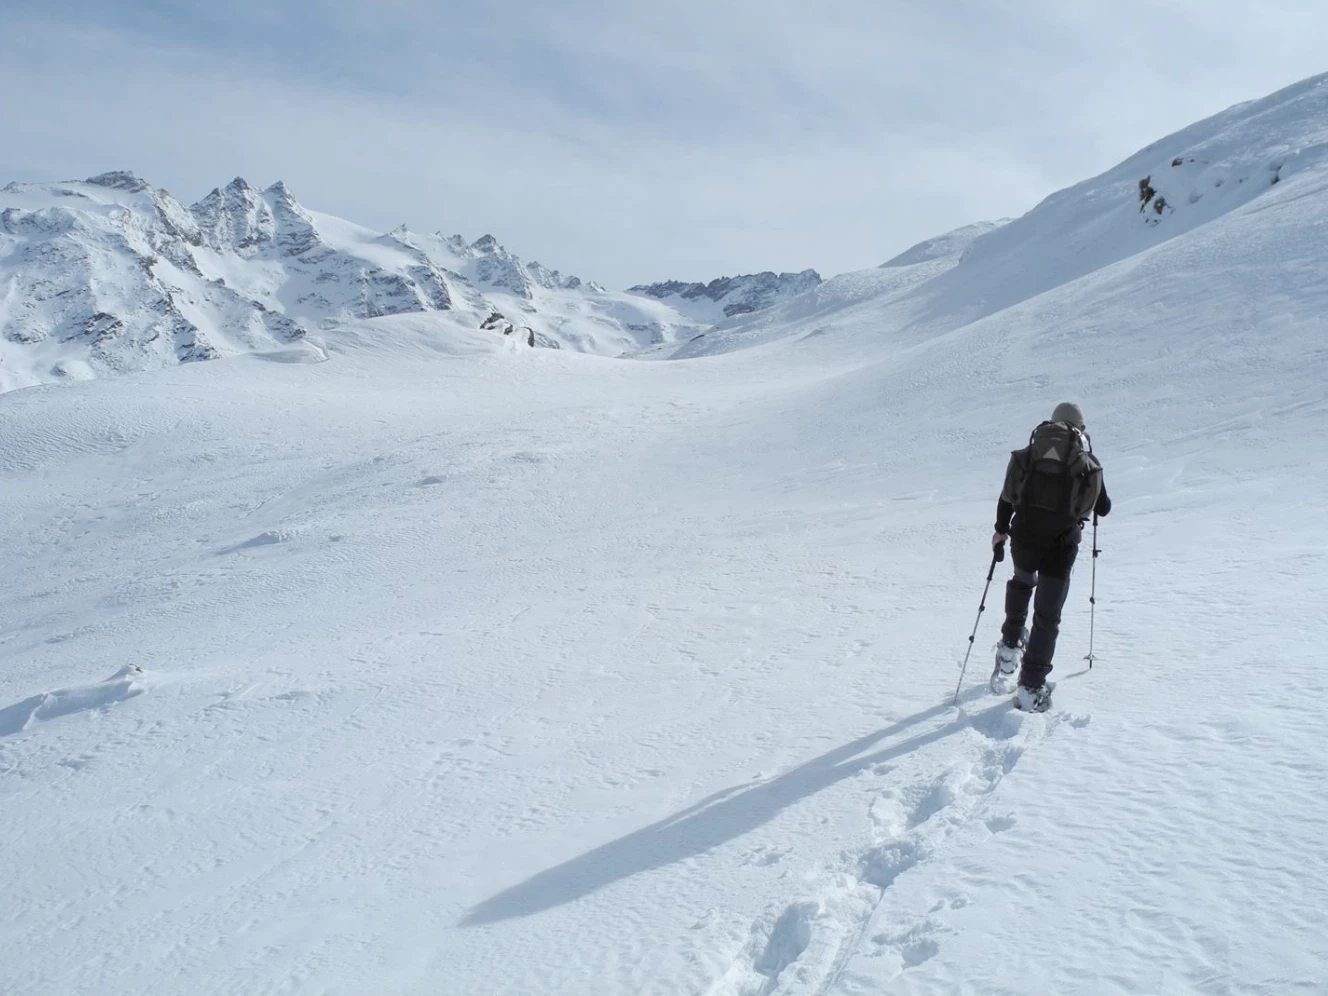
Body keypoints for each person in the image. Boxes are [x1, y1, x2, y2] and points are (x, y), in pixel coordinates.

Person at [991, 403, 1111, 712]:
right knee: (1047, 614)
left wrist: (1000, 530)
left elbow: (1007, 496)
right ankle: (1031, 687)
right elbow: (1104, 507)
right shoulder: (1085, 459)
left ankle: (1009, 649)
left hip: (1024, 537)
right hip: (1061, 545)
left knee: (1021, 582)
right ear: (1080, 428)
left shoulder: (1029, 453)